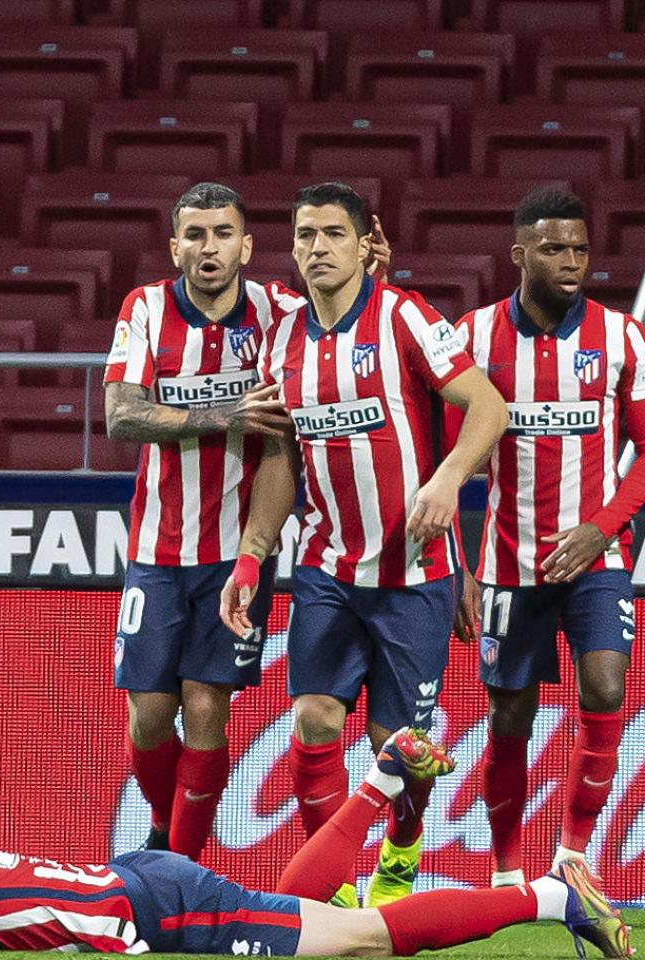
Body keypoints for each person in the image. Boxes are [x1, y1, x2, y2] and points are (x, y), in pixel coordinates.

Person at [218, 182, 508, 908]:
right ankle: (336, 888)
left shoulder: (404, 315)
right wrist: (252, 553)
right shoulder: (283, 340)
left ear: (360, 244)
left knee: (397, 748)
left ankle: (402, 850)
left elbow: (488, 405)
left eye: (333, 234)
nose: (318, 248)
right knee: (313, 719)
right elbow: (280, 461)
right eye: (305, 235)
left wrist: (448, 479)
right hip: (327, 568)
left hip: (415, 573)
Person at [0, 729, 632, 957]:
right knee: (306, 912)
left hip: (156, 909)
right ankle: (383, 785)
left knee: (360, 942)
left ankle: (554, 896)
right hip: (142, 889)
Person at [103, 182, 390, 861]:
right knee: (149, 718)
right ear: (175, 247)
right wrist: (222, 415)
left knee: (206, 708)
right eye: (195, 235)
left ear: (248, 246)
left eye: (223, 234)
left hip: (239, 553)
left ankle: (178, 865)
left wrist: (374, 277)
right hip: (156, 547)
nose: (209, 248)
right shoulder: (145, 307)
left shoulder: (278, 312)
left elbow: (348, 327)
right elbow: (120, 415)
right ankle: (164, 828)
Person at [448, 187, 645, 901]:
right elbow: (443, 462)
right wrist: (458, 565)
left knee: (605, 687)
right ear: (520, 255)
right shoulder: (473, 338)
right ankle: (507, 870)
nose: (571, 261)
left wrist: (602, 527)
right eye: (553, 249)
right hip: (507, 564)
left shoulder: (623, 337)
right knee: (509, 714)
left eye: (579, 248)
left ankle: (572, 856)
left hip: (598, 559)